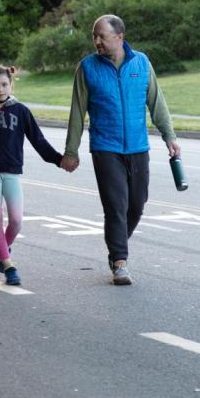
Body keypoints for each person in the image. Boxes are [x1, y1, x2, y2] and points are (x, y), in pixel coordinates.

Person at [61, 14, 180, 286]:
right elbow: (77, 112)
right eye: (94, 36)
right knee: (116, 206)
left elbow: (157, 103)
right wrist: (72, 150)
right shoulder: (87, 68)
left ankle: (116, 243)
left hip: (138, 146)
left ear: (119, 37)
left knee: (137, 204)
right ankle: (120, 262)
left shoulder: (142, 63)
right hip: (106, 147)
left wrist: (169, 136)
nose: (97, 41)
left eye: (102, 35)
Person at [0, 65, 64, 286]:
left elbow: (38, 141)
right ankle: (8, 264)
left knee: (16, 221)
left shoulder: (21, 111)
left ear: (11, 84)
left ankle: (4, 247)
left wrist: (59, 160)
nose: (0, 89)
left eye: (4, 84)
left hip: (12, 171)